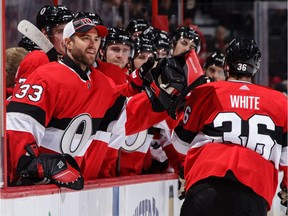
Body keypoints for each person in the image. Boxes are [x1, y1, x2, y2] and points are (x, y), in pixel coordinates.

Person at [6, 17, 145, 189]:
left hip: (73, 184)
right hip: (37, 186)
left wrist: (150, 88)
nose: (92, 44)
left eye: (96, 39)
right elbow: (19, 123)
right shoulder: (45, 76)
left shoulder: (101, 82)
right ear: (68, 43)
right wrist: (30, 168)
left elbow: (124, 102)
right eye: (85, 38)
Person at [169, 37, 287, 215]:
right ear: (256, 67)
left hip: (205, 183)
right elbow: (286, 158)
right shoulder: (280, 101)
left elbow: (180, 144)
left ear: (226, 64)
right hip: (254, 189)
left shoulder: (206, 92)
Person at [14, 5, 74, 94]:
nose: (67, 37)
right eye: (61, 31)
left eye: (69, 31)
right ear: (45, 33)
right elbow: (24, 102)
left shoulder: (64, 57)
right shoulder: (38, 59)